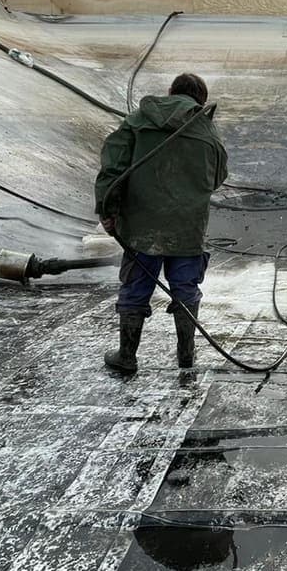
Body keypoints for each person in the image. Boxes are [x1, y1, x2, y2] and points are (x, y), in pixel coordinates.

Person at [94, 72, 228, 376]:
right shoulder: (206, 130)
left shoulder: (139, 120)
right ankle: (186, 355)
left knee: (136, 286)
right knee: (185, 288)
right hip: (187, 228)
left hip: (141, 227)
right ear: (201, 101)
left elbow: (113, 167)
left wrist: (107, 209)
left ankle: (127, 355)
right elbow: (218, 177)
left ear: (170, 91)